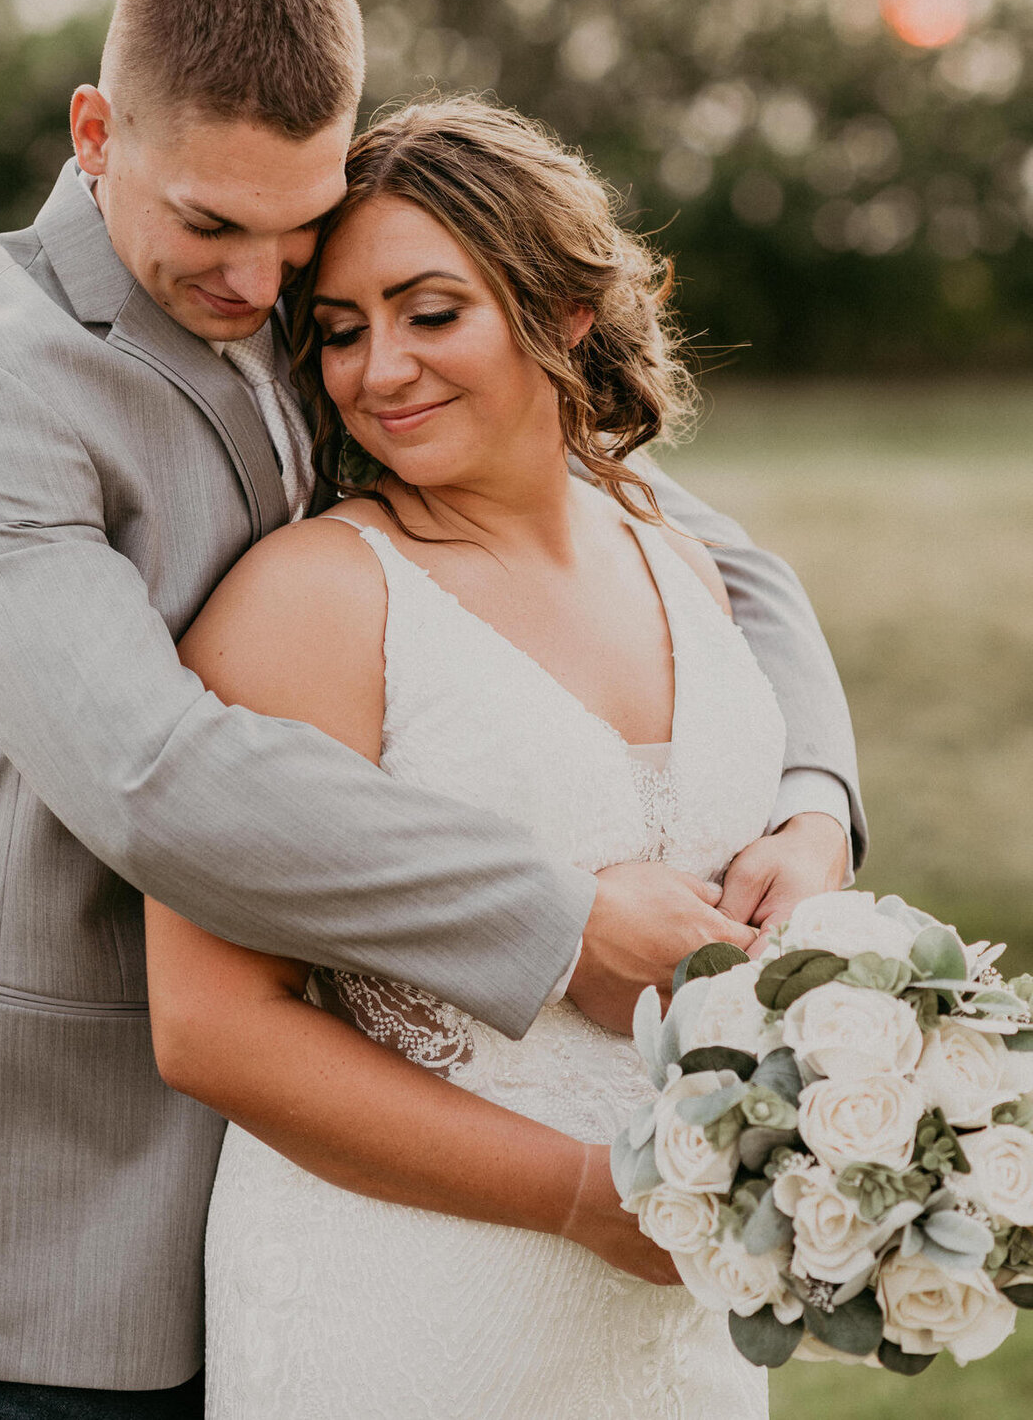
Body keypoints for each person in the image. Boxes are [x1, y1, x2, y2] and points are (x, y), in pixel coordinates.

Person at [0, 0, 861, 1420]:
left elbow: (696, 546)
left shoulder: (330, 293)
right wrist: (561, 915)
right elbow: (154, 778)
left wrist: (817, 802)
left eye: (297, 226)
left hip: (365, 1170)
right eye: (212, 227)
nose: (263, 284)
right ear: (95, 132)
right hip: (82, 1188)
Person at [144, 97, 849, 1418]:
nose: (379, 370)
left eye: (431, 311)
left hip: (673, 1334)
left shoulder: (686, 561)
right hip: (402, 1310)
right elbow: (212, 1029)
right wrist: (582, 1197)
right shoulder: (312, 601)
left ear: (564, 309)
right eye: (341, 331)